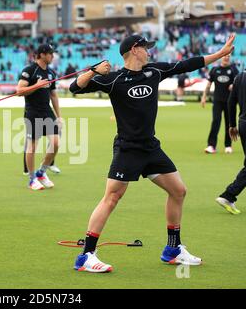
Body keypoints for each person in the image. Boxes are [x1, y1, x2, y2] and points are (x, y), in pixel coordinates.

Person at [69, 33, 235, 273]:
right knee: (112, 198)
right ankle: (86, 255)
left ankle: (173, 249)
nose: (149, 52)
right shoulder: (114, 79)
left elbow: (186, 64)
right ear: (135, 50)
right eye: (146, 48)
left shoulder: (154, 71)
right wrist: (93, 71)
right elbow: (76, 87)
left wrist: (219, 55)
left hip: (150, 148)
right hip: (128, 149)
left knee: (178, 191)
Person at [16, 44, 62, 190]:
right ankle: (31, 179)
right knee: (32, 147)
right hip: (32, 112)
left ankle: (41, 172)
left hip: (47, 112)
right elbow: (19, 91)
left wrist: (58, 116)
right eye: (50, 54)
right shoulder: (29, 70)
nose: (52, 56)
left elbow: (53, 95)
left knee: (55, 143)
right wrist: (36, 85)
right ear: (42, 54)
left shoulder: (51, 73)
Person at [215, 69, 246, 215]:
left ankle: (229, 195)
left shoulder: (239, 77)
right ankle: (228, 195)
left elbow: (231, 101)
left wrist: (232, 125)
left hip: (243, 124)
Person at [201, 54, 238, 154]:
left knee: (229, 124)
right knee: (216, 121)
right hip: (217, 101)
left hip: (230, 102)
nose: (226, 57)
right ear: (222, 57)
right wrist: (204, 97)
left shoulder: (233, 70)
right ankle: (211, 146)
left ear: (230, 57)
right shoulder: (214, 70)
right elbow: (209, 84)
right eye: (225, 56)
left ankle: (228, 145)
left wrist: (233, 86)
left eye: (228, 56)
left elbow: (239, 83)